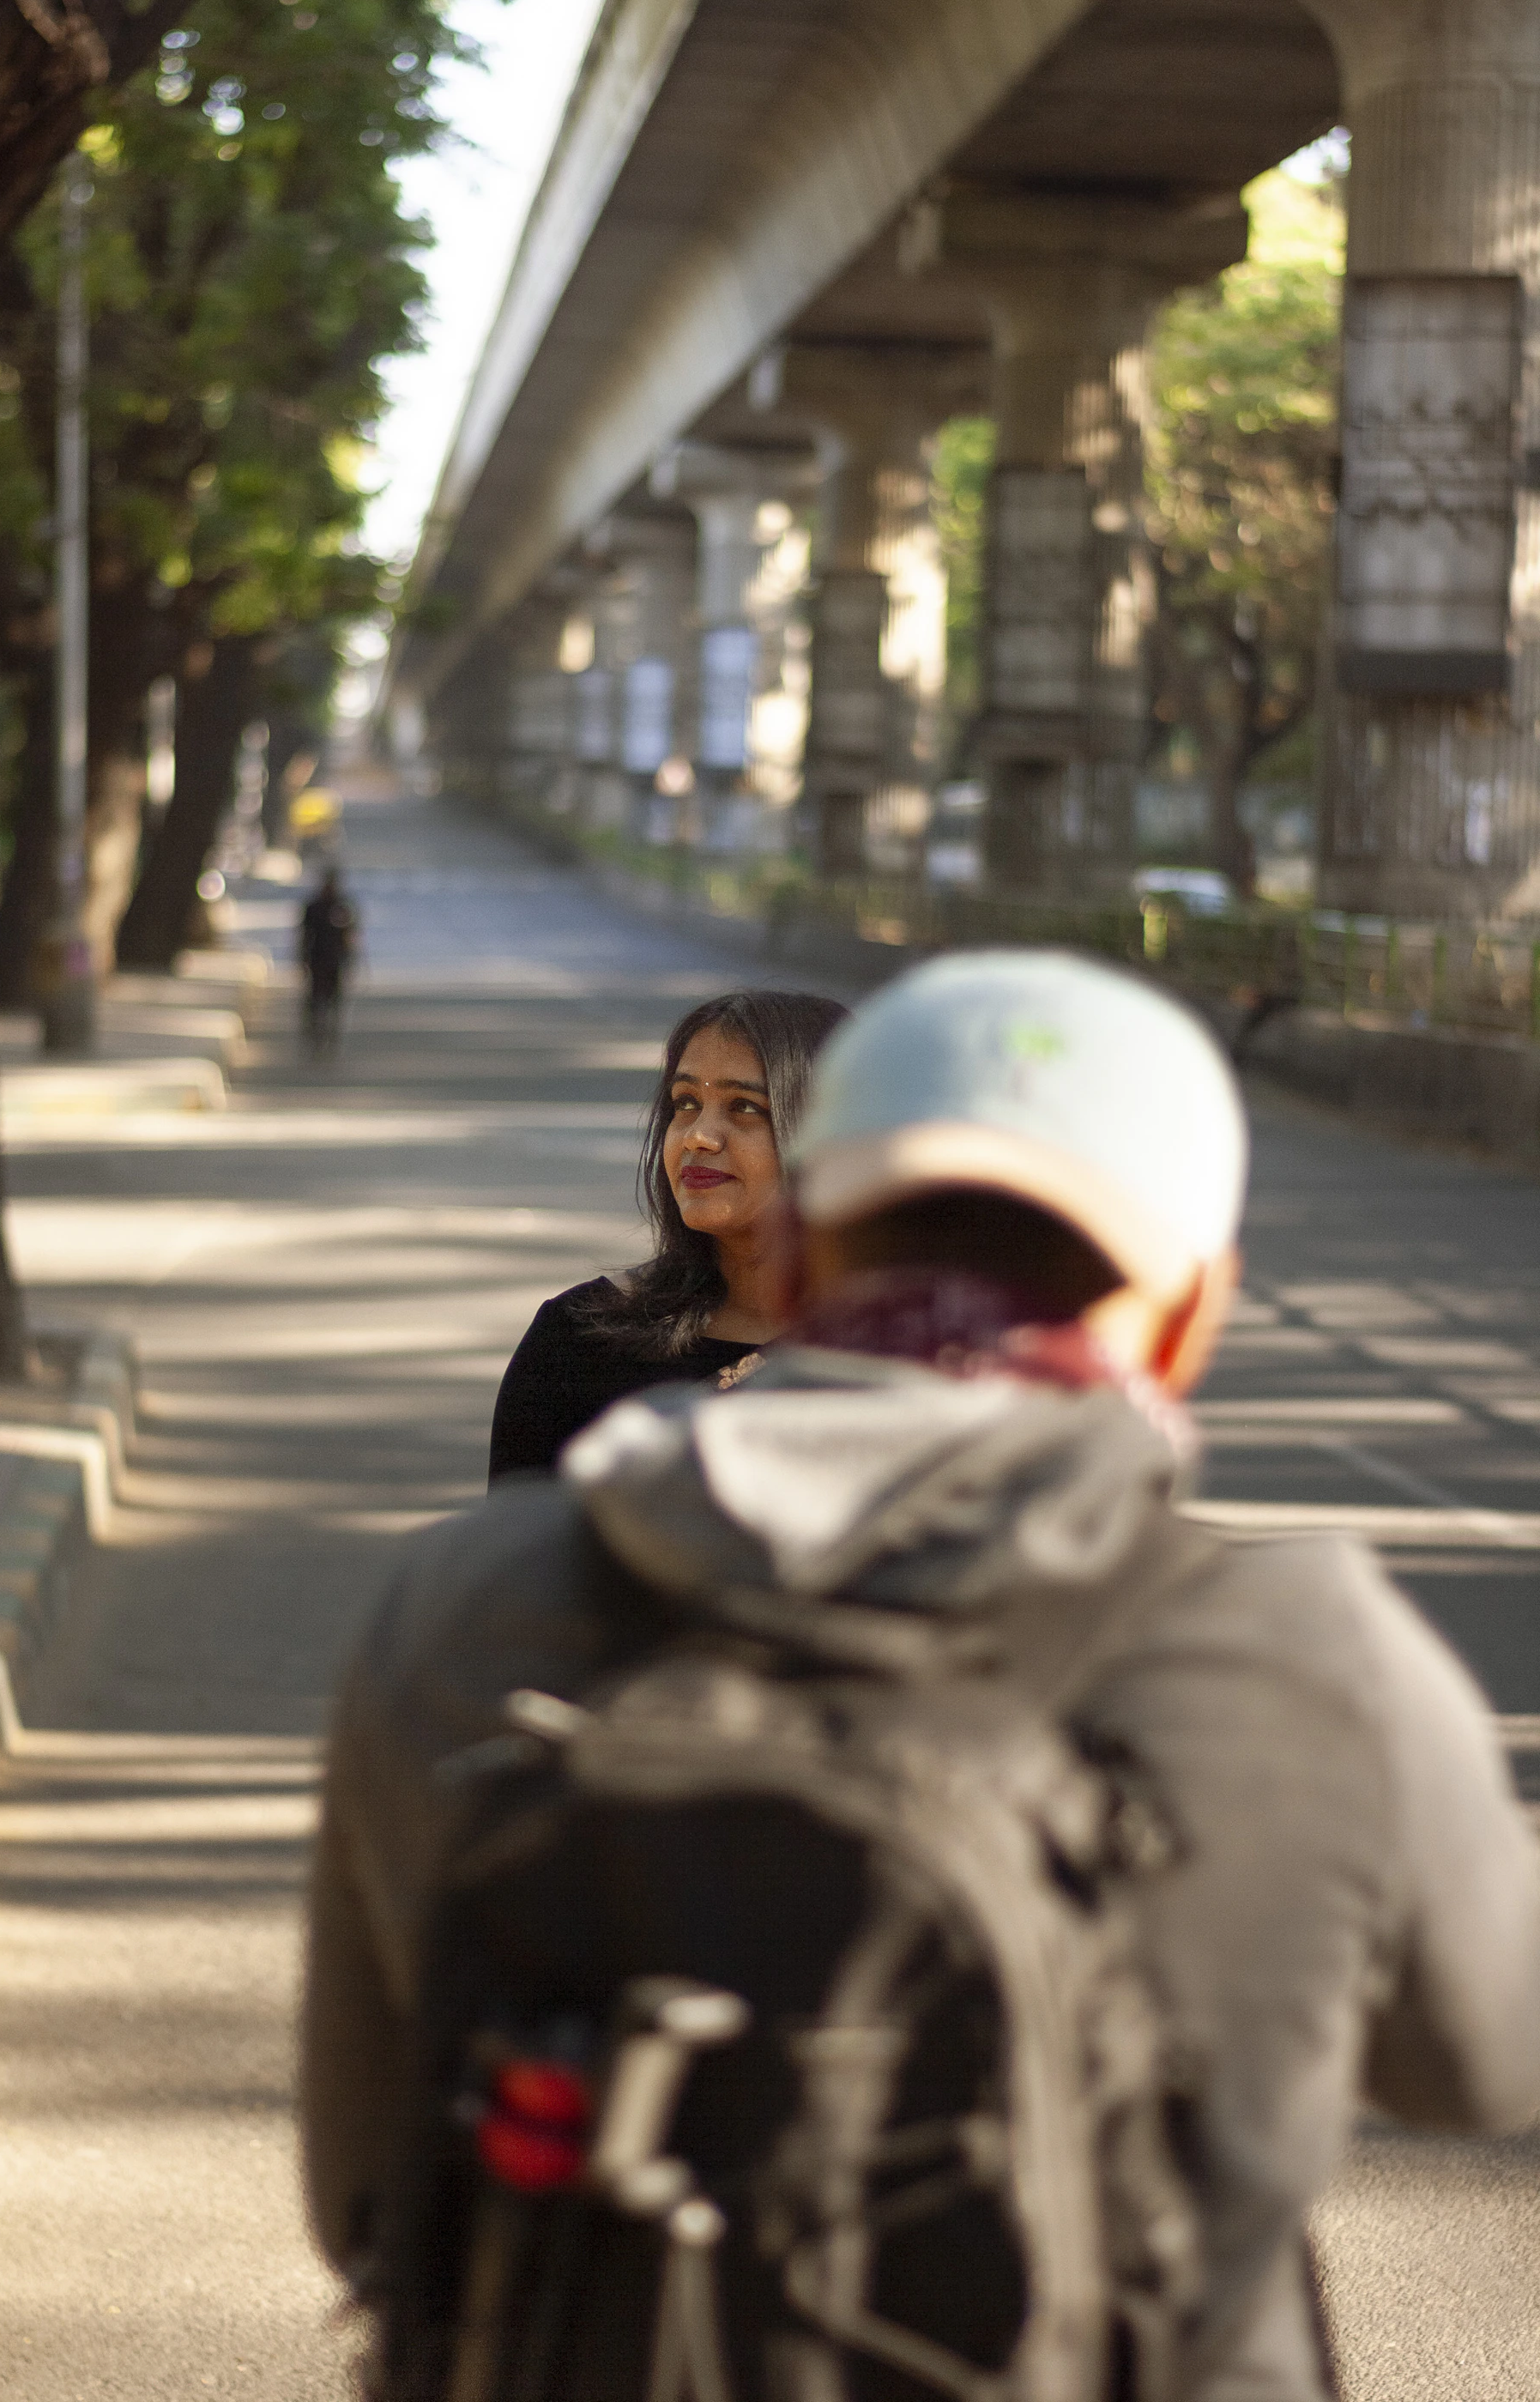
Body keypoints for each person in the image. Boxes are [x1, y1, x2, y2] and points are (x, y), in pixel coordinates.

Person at [301, 950, 1540, 2402]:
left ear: (809, 1253)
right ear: (1195, 1313)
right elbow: (1488, 2061)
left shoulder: (471, 1608)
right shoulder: (1306, 1653)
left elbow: (368, 2195)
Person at [486, 989, 848, 1479]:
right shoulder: (577, 1344)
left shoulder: (918, 1363)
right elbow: (516, 1549)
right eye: (686, 1103)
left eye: (745, 1107)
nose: (698, 1135)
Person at [300, 868, 359, 1052]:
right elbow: (304, 935)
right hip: (317, 960)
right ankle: (315, 1032)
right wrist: (302, 958)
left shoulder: (342, 906)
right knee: (316, 998)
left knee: (334, 999)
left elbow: (350, 935)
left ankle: (331, 1034)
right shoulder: (314, 907)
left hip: (336, 960)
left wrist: (350, 957)